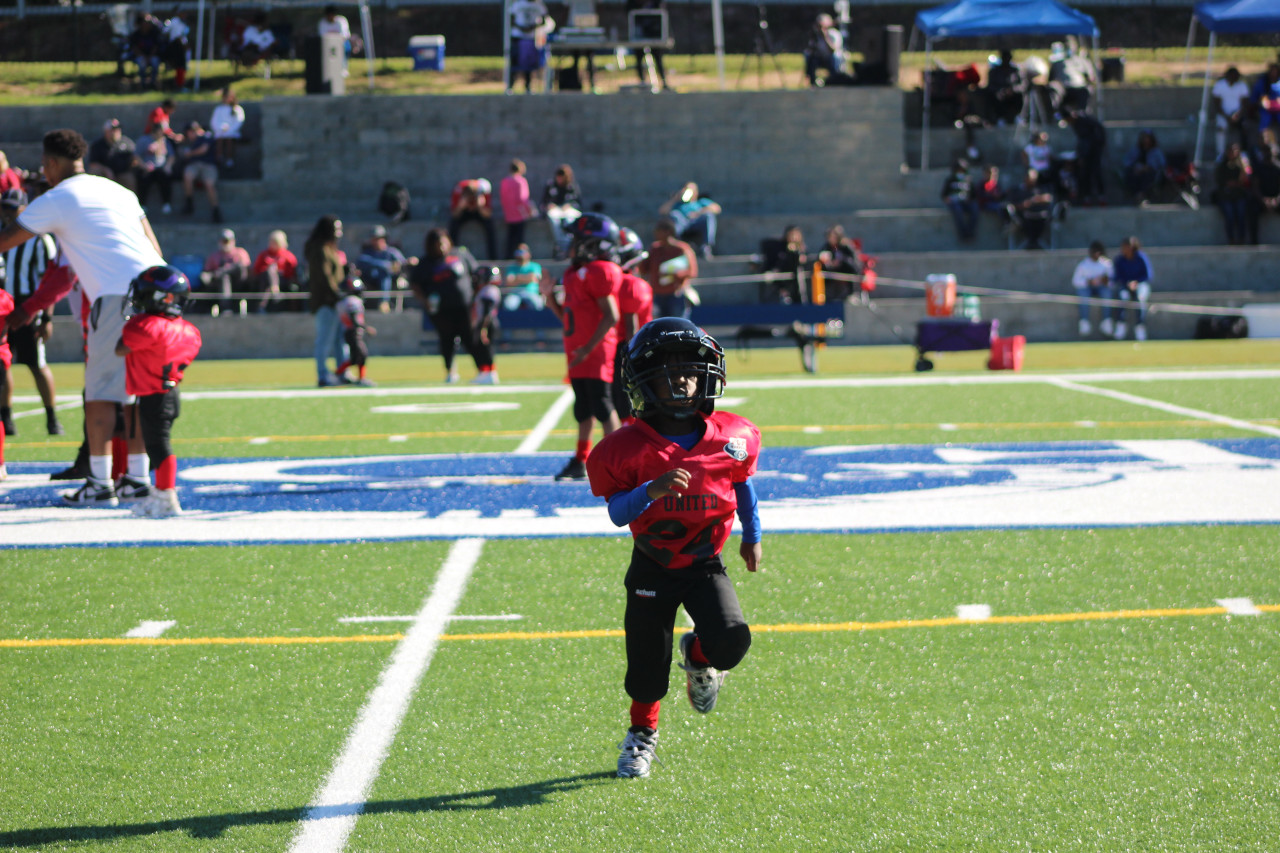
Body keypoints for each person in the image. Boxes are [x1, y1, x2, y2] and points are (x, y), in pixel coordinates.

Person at [585, 317, 762, 779]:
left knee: (731, 641)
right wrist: (651, 490)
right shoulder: (623, 448)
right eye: (668, 369)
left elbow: (742, 485)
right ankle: (642, 735)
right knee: (647, 667)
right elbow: (618, 512)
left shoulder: (733, 437)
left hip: (705, 563)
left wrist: (753, 534)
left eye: (690, 367)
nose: (682, 378)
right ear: (645, 380)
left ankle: (699, 657)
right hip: (653, 565)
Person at [0, 128, 166, 507]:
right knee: (136, 391)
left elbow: (6, 241)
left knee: (100, 395)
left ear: (53, 163)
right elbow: (154, 248)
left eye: (46, 165)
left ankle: (99, 482)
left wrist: (27, 307)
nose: (44, 172)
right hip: (155, 294)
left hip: (116, 297)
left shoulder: (58, 197)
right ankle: (137, 478)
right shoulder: (118, 190)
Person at [114, 265, 202, 517]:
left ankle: (166, 495)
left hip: (154, 394)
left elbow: (121, 348)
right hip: (170, 393)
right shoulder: (187, 330)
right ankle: (162, 492)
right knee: (157, 444)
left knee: (159, 446)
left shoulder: (146, 326)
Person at [543, 213, 623, 481]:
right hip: (579, 352)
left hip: (595, 352)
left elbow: (612, 315)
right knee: (583, 408)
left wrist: (588, 348)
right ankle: (581, 458)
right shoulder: (576, 273)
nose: (572, 245)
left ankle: (616, 461)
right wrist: (549, 296)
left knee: (602, 404)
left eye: (577, 239)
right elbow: (567, 317)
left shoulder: (599, 271)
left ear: (593, 244)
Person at [0, 189, 62, 437]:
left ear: (25, 209)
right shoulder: (3, 235)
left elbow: (51, 281)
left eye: (12, 208)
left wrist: (46, 316)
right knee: (2, 366)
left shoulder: (39, 239)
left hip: (29, 306)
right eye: (4, 207)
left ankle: (51, 416)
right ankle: (6, 416)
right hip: (4, 307)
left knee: (36, 363)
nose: (7, 213)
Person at [411, 228, 482, 384]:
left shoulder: (460, 255)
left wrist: (476, 295)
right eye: (437, 244)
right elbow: (415, 285)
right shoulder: (426, 263)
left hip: (465, 306)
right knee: (447, 339)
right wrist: (425, 301)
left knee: (471, 338)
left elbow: (477, 274)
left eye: (443, 243)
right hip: (441, 310)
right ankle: (450, 371)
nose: (441, 247)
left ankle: (482, 370)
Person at [610, 227, 653, 422]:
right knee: (630, 402)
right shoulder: (631, 283)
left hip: (613, 347)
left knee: (617, 403)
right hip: (632, 347)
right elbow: (631, 328)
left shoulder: (612, 281)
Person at [305, 215, 349, 387]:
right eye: (336, 228)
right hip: (326, 301)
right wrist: (336, 294)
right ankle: (323, 374)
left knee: (339, 339)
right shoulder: (319, 249)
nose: (339, 232)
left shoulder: (330, 249)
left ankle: (342, 370)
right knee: (324, 339)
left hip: (334, 301)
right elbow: (325, 276)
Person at [638, 218, 697, 320]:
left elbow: (692, 272)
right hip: (657, 295)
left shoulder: (682, 249)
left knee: (678, 325)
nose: (655, 234)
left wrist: (674, 274)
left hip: (676, 294)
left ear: (668, 232)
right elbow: (644, 269)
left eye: (658, 231)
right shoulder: (654, 249)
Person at [334, 273, 376, 386]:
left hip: (348, 331)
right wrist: (366, 328)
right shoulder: (353, 301)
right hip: (354, 332)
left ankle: (337, 374)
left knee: (354, 358)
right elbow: (355, 320)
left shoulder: (342, 302)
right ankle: (360, 379)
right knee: (362, 355)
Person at [1108, 236, 1152, 341]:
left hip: (1140, 284)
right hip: (1125, 285)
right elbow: (1117, 277)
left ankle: (1140, 327)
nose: (1123, 249)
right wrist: (1128, 283)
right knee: (1122, 297)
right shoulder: (1119, 260)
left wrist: (1136, 282)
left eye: (1125, 247)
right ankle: (1121, 325)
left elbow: (1148, 275)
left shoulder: (1141, 257)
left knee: (1140, 298)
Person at [356, 224, 408, 313]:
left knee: (384, 274)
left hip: (387, 279)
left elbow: (402, 263)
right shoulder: (368, 252)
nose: (375, 242)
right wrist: (386, 265)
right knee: (382, 268)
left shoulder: (391, 252)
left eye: (378, 239)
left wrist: (408, 262)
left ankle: (384, 302)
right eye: (373, 239)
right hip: (370, 278)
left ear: (383, 239)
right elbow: (362, 261)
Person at [659, 182, 720, 257]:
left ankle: (706, 246)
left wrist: (698, 213)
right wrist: (675, 199)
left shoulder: (700, 202)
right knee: (675, 214)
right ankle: (677, 245)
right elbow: (662, 211)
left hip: (696, 222)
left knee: (709, 216)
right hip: (681, 223)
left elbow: (717, 208)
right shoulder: (677, 204)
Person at [178, 121, 222, 223]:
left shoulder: (207, 136)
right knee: (187, 174)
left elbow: (204, 149)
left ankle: (216, 210)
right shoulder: (191, 141)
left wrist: (190, 153)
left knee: (209, 183)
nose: (188, 135)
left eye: (189, 133)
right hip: (195, 165)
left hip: (209, 165)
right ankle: (189, 202)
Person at [201, 228, 251, 315]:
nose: (225, 243)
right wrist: (206, 276)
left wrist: (224, 270)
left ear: (233, 241)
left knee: (231, 270)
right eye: (223, 241)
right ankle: (226, 308)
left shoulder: (240, 253)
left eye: (227, 241)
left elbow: (244, 268)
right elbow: (207, 271)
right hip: (221, 285)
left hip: (239, 283)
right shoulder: (214, 256)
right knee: (224, 278)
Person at [1215, 142, 1257, 246]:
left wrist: (1243, 167)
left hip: (1239, 195)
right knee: (1229, 215)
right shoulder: (1222, 166)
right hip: (1226, 196)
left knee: (1241, 214)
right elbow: (1221, 182)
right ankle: (1231, 239)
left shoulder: (1242, 166)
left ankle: (1242, 238)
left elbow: (1245, 181)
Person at [251, 229, 299, 314]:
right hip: (264, 280)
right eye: (271, 242)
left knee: (272, 274)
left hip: (283, 281)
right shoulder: (264, 255)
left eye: (275, 242)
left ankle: (262, 305)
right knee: (269, 272)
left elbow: (291, 273)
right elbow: (256, 270)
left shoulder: (288, 256)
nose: (273, 244)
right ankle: (274, 291)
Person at [448, 177, 497, 261]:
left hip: (478, 210)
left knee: (490, 225)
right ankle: (452, 255)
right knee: (453, 225)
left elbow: (487, 214)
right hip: (463, 211)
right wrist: (461, 206)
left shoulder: (483, 190)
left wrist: (480, 206)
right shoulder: (458, 190)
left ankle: (493, 257)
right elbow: (454, 214)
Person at [508, 0, 551, 94]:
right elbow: (511, 19)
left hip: (531, 38)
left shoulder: (539, 5)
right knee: (515, 63)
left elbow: (545, 20)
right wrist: (521, 28)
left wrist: (533, 27)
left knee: (529, 64)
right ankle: (510, 86)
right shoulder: (518, 4)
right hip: (518, 36)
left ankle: (528, 86)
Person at [541, 164, 583, 260]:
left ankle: (569, 242)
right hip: (556, 211)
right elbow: (544, 202)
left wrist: (569, 205)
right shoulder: (551, 185)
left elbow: (578, 202)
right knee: (554, 220)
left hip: (568, 211)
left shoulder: (572, 186)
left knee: (569, 220)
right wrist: (549, 205)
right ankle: (562, 242)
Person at [1070, 240, 1112, 337]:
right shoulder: (1083, 265)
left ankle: (1106, 322)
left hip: (1101, 288)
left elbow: (1112, 281)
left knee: (1106, 293)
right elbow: (1075, 281)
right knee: (1083, 293)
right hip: (1087, 288)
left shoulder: (1107, 264)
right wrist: (1088, 282)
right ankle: (1084, 322)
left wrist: (1104, 281)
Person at [1006, 169, 1055, 250]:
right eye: (1030, 179)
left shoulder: (1039, 189)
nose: (1032, 181)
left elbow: (1049, 198)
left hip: (1041, 217)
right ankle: (1031, 242)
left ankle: (1035, 242)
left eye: (1034, 179)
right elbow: (1012, 204)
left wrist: (1033, 200)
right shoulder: (1017, 190)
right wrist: (1022, 205)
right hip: (1024, 219)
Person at [1066, 109, 1107, 206]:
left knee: (1097, 174)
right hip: (1085, 153)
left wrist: (1100, 143)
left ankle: (1101, 197)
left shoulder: (1084, 120)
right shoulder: (1076, 124)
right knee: (1085, 175)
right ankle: (1086, 197)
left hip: (1094, 152)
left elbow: (1098, 129)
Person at [87, 118, 139, 193]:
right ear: (106, 131)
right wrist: (106, 170)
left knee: (129, 178)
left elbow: (135, 157)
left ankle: (133, 202)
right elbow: (93, 164)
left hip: (122, 173)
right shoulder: (98, 145)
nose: (116, 132)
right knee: (94, 172)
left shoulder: (127, 143)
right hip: (104, 175)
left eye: (118, 129)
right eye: (113, 130)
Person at [470, 266, 502, 385]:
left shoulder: (489, 290)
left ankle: (491, 373)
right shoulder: (489, 289)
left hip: (487, 322)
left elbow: (486, 310)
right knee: (480, 348)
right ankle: (485, 372)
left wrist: (483, 327)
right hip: (486, 321)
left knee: (486, 348)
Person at [135, 125, 176, 215]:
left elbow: (171, 156)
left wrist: (168, 166)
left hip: (161, 168)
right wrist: (144, 166)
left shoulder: (165, 141)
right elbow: (136, 156)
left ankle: (166, 203)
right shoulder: (144, 140)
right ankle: (142, 204)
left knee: (165, 177)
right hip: (147, 167)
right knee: (143, 178)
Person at [499, 159, 536, 259]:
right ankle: (521, 258)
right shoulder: (521, 181)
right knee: (520, 239)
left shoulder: (504, 181)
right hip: (520, 214)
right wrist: (529, 211)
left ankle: (508, 256)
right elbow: (523, 199)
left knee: (510, 238)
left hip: (508, 214)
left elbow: (502, 198)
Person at [1212, 66, 1252, 158]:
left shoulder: (1242, 85)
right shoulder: (1220, 85)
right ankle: (1220, 154)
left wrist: (1237, 115)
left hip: (1238, 115)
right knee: (1220, 128)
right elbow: (1217, 105)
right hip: (1224, 115)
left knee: (1245, 127)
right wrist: (1227, 117)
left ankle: (1244, 153)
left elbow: (1245, 104)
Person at [1123, 130, 1166, 205]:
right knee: (1131, 175)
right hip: (1136, 172)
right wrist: (1135, 168)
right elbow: (1127, 162)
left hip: (1150, 173)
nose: (1145, 140)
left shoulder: (1156, 151)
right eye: (1144, 138)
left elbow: (1162, 164)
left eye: (1147, 138)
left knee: (1147, 176)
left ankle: (1142, 195)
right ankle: (1137, 195)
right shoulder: (1136, 150)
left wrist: (1148, 167)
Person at [940, 158, 978, 243]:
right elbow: (944, 194)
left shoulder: (968, 180)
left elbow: (973, 194)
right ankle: (963, 234)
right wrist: (948, 199)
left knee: (975, 209)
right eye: (959, 169)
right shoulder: (950, 180)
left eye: (962, 169)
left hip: (966, 202)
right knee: (958, 211)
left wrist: (970, 199)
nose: (960, 171)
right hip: (955, 202)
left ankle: (970, 232)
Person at [985, 50, 1025, 126]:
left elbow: (1023, 85)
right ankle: (999, 118)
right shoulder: (994, 72)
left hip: (1014, 95)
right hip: (1000, 95)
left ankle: (1019, 116)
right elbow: (991, 86)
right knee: (994, 97)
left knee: (1020, 96)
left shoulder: (1016, 71)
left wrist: (1012, 90)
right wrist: (1002, 91)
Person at [804, 13, 844, 88]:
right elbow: (811, 50)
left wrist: (825, 37)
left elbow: (833, 50)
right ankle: (812, 82)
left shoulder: (834, 34)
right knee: (811, 59)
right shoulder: (816, 36)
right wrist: (814, 39)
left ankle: (835, 81)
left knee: (833, 59)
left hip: (833, 58)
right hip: (821, 58)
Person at [210, 87, 245, 169]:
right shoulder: (219, 109)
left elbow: (239, 121)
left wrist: (230, 129)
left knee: (229, 140)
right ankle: (219, 157)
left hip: (232, 132)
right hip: (220, 132)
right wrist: (220, 128)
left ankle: (229, 159)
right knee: (220, 140)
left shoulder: (237, 109)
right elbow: (214, 121)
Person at [502, 243, 544, 311]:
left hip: (531, 292)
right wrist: (527, 278)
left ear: (528, 253)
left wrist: (517, 278)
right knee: (508, 305)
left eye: (522, 252)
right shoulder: (511, 267)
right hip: (515, 293)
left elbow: (533, 279)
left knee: (538, 305)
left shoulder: (535, 266)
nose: (520, 254)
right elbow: (509, 282)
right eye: (518, 252)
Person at [129, 14, 164, 90]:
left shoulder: (154, 33)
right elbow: (134, 48)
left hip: (152, 56)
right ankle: (143, 84)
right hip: (141, 56)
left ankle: (153, 82)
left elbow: (156, 46)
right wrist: (144, 57)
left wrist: (149, 57)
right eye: (145, 22)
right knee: (141, 63)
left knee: (155, 62)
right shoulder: (136, 34)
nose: (147, 24)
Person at [1252, 63, 1280, 132]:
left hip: (1278, 109)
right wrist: (1262, 102)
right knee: (1264, 122)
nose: (1273, 73)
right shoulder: (1262, 82)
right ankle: (1263, 139)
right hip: (1265, 110)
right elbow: (1254, 98)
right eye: (1272, 71)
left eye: (1275, 71)